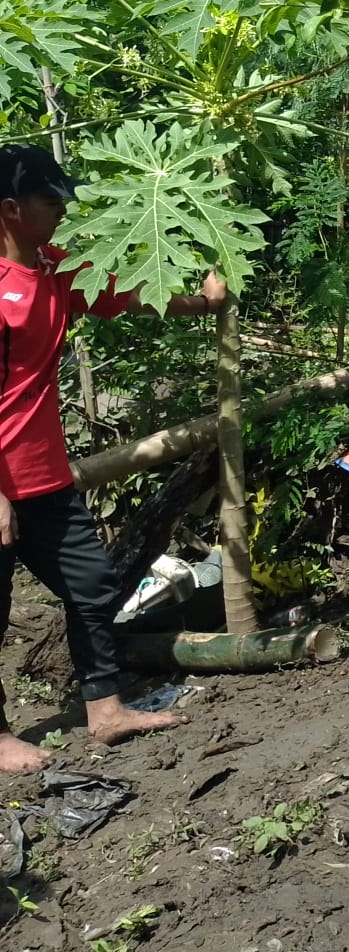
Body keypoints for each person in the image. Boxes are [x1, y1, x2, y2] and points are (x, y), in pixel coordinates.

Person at [1, 143, 224, 774]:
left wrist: (202, 305)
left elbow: (125, 297)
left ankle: (105, 708)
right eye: (51, 203)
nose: (62, 214)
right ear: (12, 209)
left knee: (92, 586)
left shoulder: (55, 267)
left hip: (41, 472)